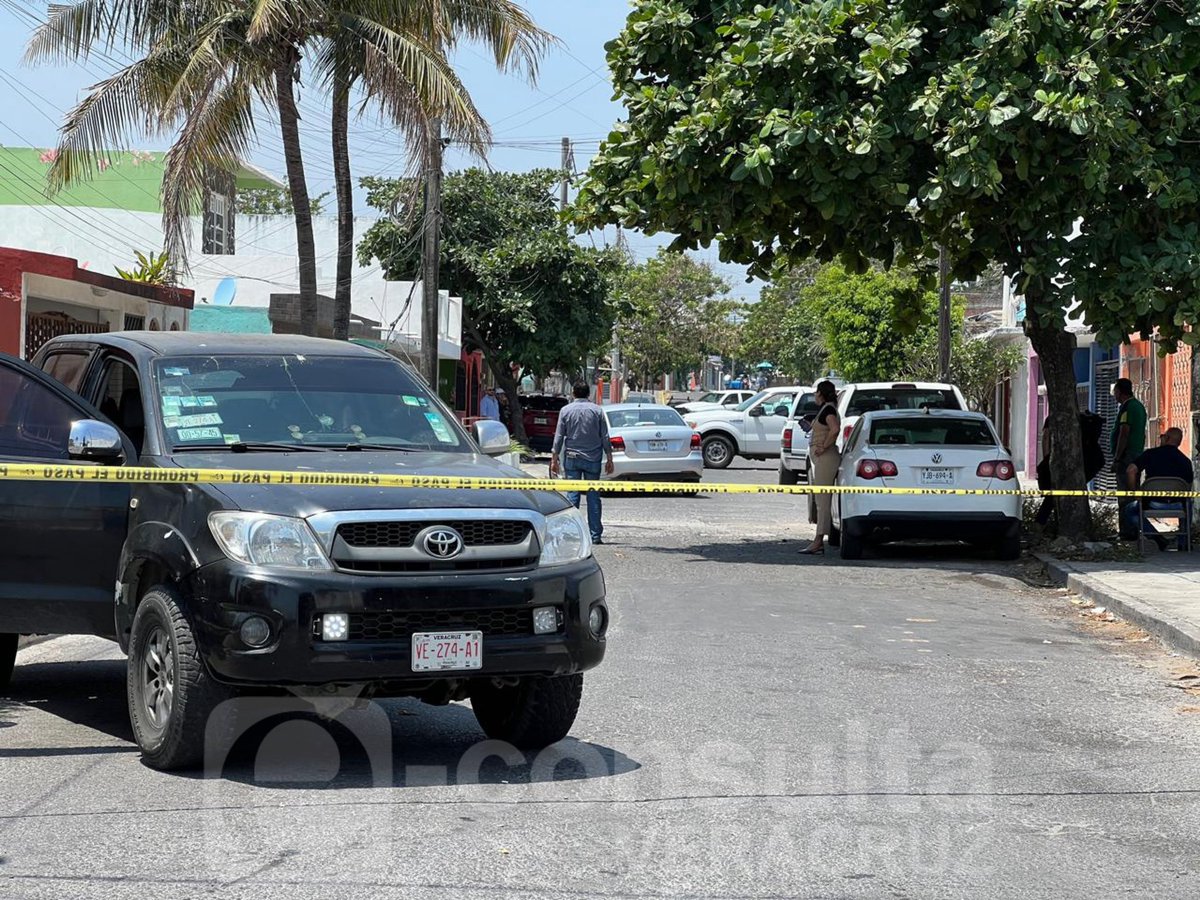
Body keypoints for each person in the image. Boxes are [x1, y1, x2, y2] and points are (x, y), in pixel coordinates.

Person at [550, 382, 615, 544]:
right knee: (593, 497)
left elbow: (559, 436)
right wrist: (610, 456)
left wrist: (554, 458)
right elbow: (605, 436)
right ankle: (595, 535)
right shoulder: (597, 411)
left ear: (573, 393)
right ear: (588, 394)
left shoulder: (565, 411)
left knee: (572, 496)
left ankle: (571, 533)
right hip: (593, 458)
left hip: (572, 457)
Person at [1120, 427, 1194, 549]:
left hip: (1153, 502)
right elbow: (1188, 487)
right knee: (1188, 503)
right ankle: (1184, 542)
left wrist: (1134, 492)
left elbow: (1130, 470)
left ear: (1167, 438)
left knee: (1129, 510)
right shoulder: (1185, 461)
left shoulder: (1150, 454)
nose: (1161, 438)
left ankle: (1157, 537)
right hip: (1178, 504)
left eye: (1163, 436)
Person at [1034, 410, 1106, 527]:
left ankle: (1040, 525)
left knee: (1052, 496)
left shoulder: (1054, 418)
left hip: (1065, 463)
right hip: (1087, 463)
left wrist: (1047, 460)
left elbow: (1046, 437)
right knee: (1056, 496)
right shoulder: (1080, 421)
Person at [800, 380, 841, 555]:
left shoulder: (829, 409)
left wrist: (824, 446)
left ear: (821, 393)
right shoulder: (825, 409)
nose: (815, 396)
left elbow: (834, 429)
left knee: (823, 501)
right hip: (821, 458)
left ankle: (818, 540)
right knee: (820, 499)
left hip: (826, 457)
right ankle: (819, 539)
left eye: (817, 392)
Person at [1110, 377, 1147, 481]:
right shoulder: (1139, 406)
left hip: (1126, 455)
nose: (1114, 394)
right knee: (1134, 485)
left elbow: (1124, 433)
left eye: (1115, 391)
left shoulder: (1127, 407)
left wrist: (1117, 458)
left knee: (1125, 488)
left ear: (1119, 392)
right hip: (1136, 453)